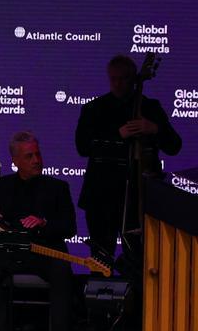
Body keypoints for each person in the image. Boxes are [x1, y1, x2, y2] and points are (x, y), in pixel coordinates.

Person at [0, 131, 75, 331]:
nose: (36, 160)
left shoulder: (58, 187)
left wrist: (44, 222)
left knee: (63, 272)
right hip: (12, 253)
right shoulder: (0, 185)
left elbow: (69, 228)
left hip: (46, 253)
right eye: (29, 156)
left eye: (38, 154)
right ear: (15, 161)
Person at [76, 55, 182, 264]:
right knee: (100, 257)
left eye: (123, 78)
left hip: (139, 196)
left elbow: (174, 146)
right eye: (113, 79)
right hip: (102, 195)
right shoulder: (94, 109)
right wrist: (118, 135)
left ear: (134, 79)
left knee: (141, 258)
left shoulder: (150, 108)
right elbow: (83, 147)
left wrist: (154, 128)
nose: (118, 84)